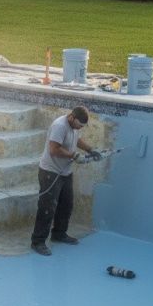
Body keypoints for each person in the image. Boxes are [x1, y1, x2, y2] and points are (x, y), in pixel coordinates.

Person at [30, 106, 100, 256]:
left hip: (65, 173)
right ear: (72, 117)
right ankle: (38, 241)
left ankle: (59, 234)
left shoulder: (74, 126)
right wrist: (73, 156)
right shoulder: (59, 126)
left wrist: (90, 149)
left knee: (66, 205)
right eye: (79, 125)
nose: (79, 128)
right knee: (47, 208)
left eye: (82, 126)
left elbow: (76, 139)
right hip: (50, 172)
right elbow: (54, 149)